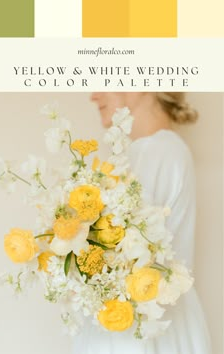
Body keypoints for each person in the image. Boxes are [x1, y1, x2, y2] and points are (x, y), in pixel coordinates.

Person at [72, 92, 212, 354]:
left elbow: (123, 256)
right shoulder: (155, 149)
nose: (93, 95)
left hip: (144, 329)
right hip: (148, 323)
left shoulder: (157, 150)